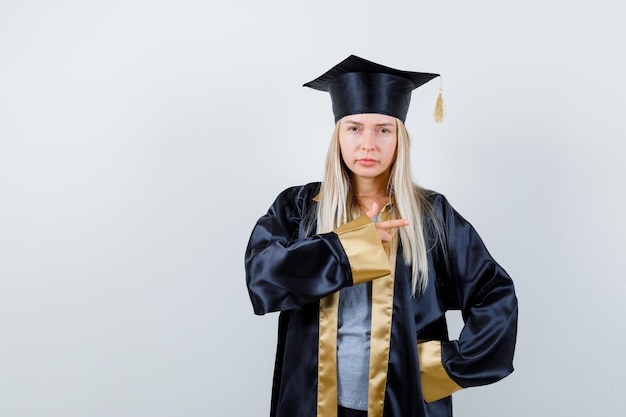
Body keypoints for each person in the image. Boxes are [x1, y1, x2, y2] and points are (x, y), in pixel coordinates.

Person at [244, 55, 518, 417]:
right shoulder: (299, 207)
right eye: (354, 128)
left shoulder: (431, 216)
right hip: (312, 402)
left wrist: (442, 366)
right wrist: (353, 247)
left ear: (400, 137)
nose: (368, 144)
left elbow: (494, 295)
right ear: (338, 135)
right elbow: (264, 275)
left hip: (402, 402)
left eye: (383, 129)